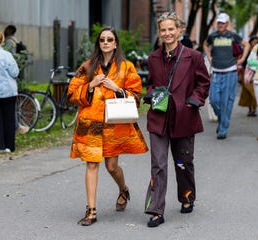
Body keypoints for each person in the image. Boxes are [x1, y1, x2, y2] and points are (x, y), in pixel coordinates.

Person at [67, 26, 149, 226]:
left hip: (114, 125)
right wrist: (91, 85)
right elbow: (71, 94)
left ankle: (123, 189)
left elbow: (137, 95)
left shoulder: (126, 67)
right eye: (102, 39)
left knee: (111, 167)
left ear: (115, 43)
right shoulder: (87, 67)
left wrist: (118, 89)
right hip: (90, 124)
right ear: (98, 43)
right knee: (92, 164)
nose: (105, 42)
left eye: (109, 39)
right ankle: (91, 211)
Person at [143, 12, 210, 227]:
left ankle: (187, 196)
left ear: (179, 30)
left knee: (183, 162)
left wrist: (193, 101)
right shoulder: (153, 57)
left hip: (184, 116)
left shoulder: (194, 56)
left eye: (171, 29)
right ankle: (156, 209)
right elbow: (151, 83)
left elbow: (203, 83)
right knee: (158, 164)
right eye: (163, 30)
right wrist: (152, 94)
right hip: (159, 117)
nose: (167, 33)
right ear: (159, 32)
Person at [203, 12, 250, 139]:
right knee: (214, 100)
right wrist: (209, 56)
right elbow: (205, 45)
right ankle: (222, 119)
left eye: (223, 23)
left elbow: (247, 45)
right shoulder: (212, 36)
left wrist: (243, 59)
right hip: (216, 73)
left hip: (230, 72)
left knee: (227, 102)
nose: (220, 25)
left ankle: (223, 129)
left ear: (227, 24)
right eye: (219, 22)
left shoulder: (232, 36)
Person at [3, 24, 29, 134]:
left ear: (9, 31)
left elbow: (11, 59)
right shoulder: (15, 40)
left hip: (9, 76)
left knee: (11, 103)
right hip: (14, 75)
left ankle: (16, 126)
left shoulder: (9, 42)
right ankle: (16, 125)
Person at [238, 35, 258, 117]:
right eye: (254, 42)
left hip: (255, 72)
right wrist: (240, 74)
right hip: (245, 72)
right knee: (247, 91)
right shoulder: (246, 51)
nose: (255, 44)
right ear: (250, 42)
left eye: (257, 42)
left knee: (254, 91)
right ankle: (250, 109)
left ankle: (254, 109)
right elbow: (242, 63)